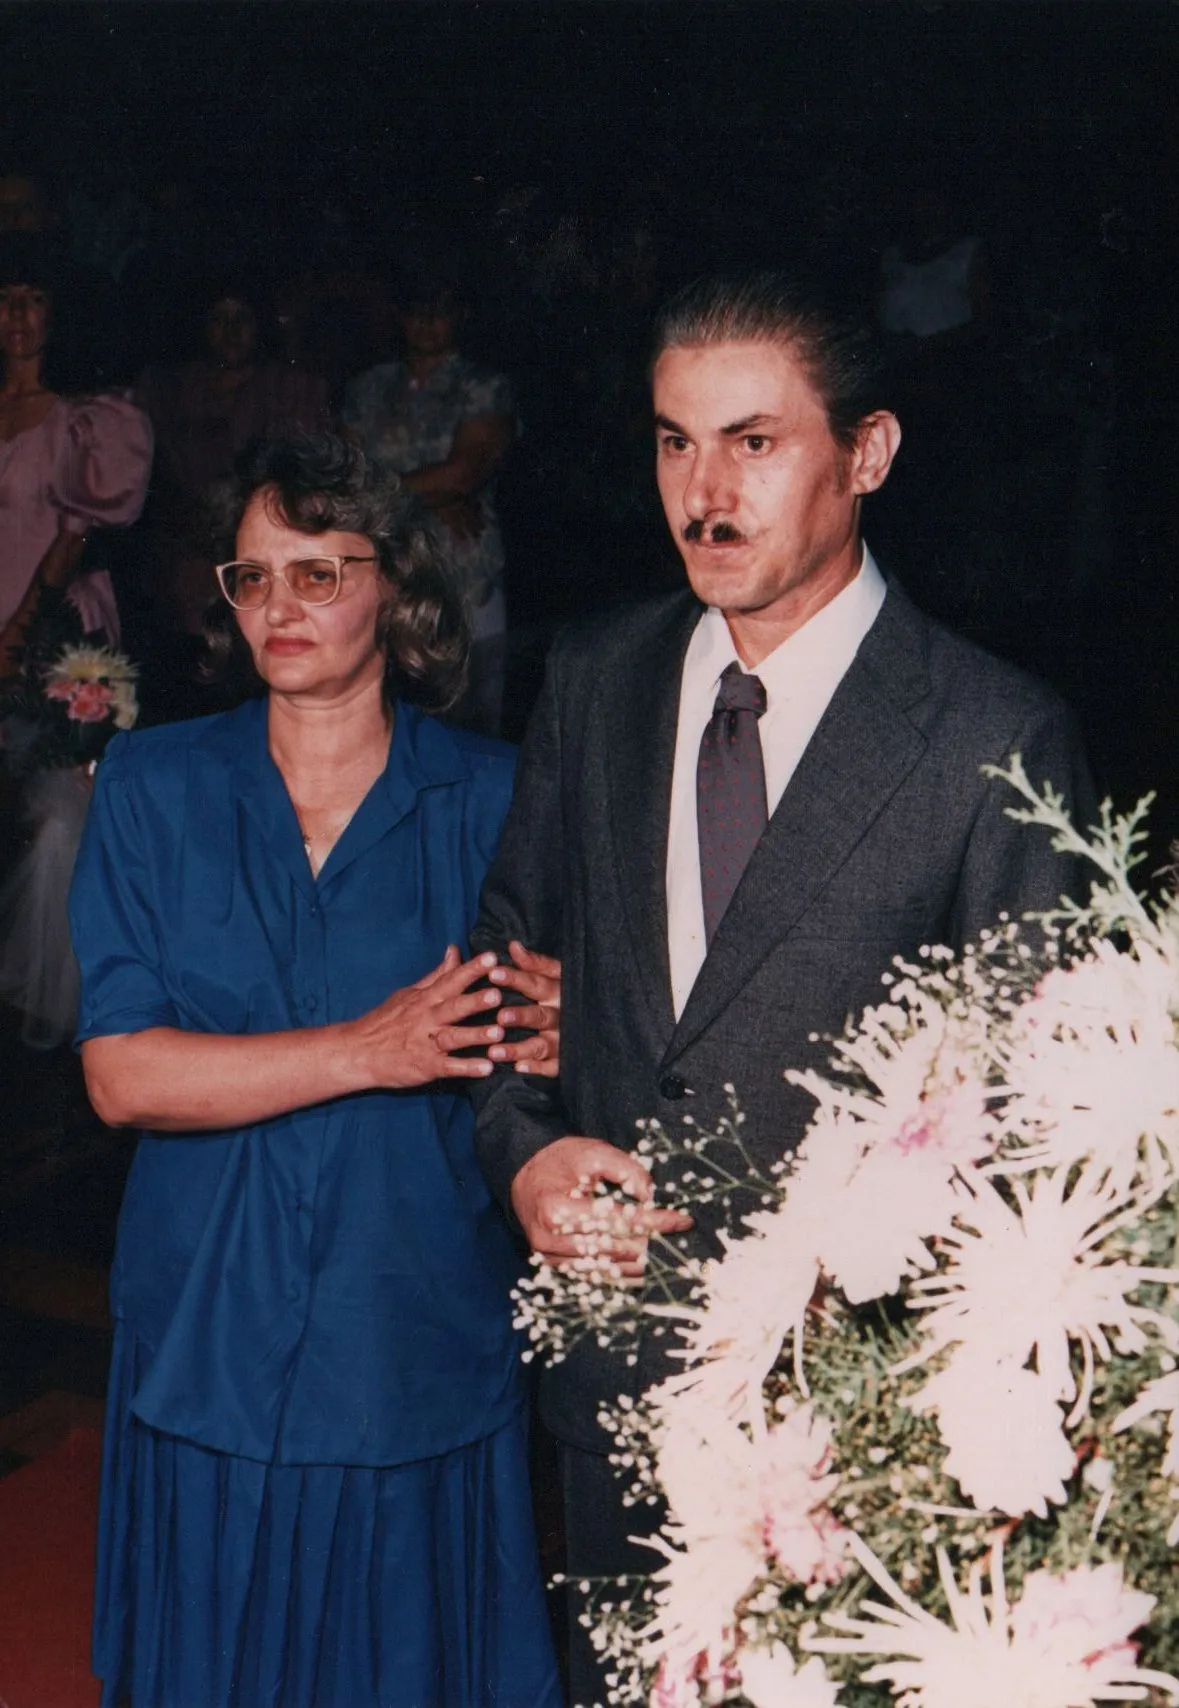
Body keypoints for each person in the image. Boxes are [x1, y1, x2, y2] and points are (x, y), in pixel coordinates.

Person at [468, 270, 1093, 1704]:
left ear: (863, 455)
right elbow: (515, 950)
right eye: (673, 442)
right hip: (615, 1388)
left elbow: (1035, 1133)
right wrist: (524, 1145)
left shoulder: (990, 735)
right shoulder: (598, 676)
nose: (702, 491)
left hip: (857, 1433)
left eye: (752, 443)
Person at [69, 433, 563, 1708]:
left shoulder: (499, 799)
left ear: (396, 590)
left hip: (410, 1324)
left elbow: (547, 1056)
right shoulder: (154, 784)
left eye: (318, 572)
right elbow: (123, 1074)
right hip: (208, 1327)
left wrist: (574, 1033)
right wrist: (369, 1047)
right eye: (253, 577)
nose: (279, 607)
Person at [135, 276, 329, 714]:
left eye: (242, 319)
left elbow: (311, 479)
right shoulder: (169, 392)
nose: (231, 331)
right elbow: (152, 481)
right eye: (219, 320)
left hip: (267, 566)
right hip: (187, 571)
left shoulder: (293, 389)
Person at [341, 267, 516, 736]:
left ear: (459, 316)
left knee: (476, 725)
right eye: (417, 309)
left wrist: (395, 492)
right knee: (389, 722)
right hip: (385, 575)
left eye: (440, 310)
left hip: (466, 573)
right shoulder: (367, 388)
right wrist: (429, 495)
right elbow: (346, 481)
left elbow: (463, 474)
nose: (427, 321)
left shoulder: (484, 385)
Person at [0, 232, 152, 674]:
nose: (16, 312)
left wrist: (14, 644)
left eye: (34, 298)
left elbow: (71, 543)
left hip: (48, 626)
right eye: (4, 297)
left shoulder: (87, 420)